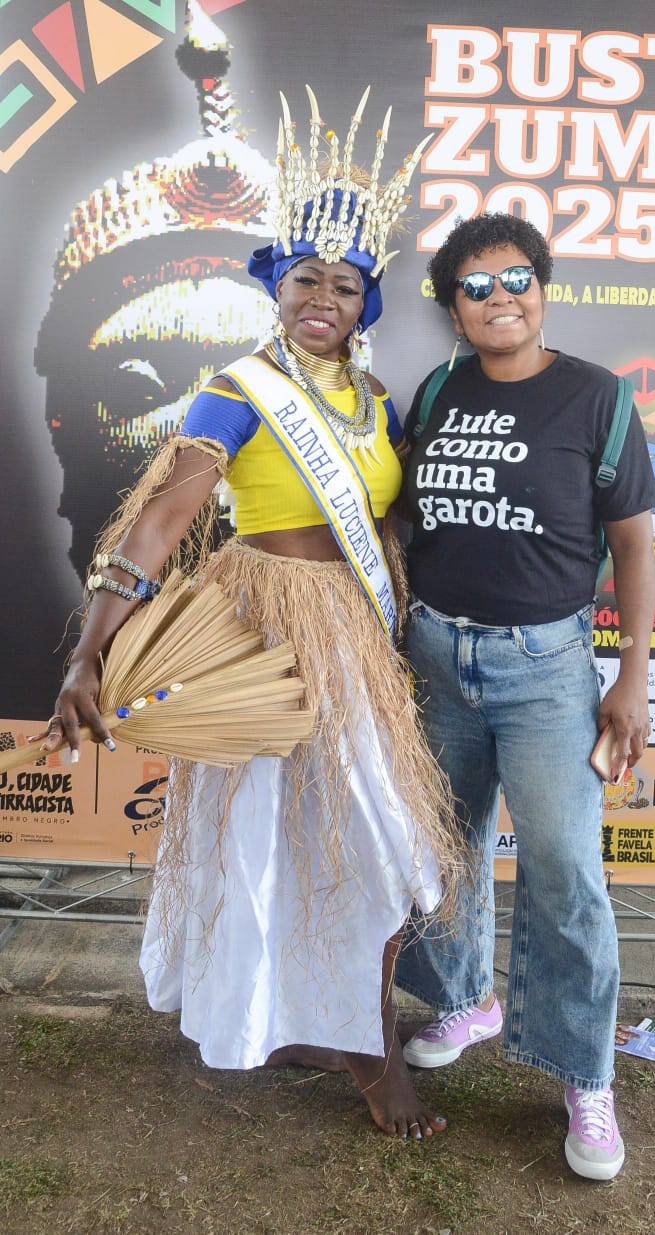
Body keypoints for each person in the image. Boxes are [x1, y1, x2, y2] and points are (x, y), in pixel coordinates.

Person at [37, 87, 462, 1140]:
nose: (323, 296)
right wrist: (89, 652)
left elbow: (391, 527)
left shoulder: (378, 404)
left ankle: (351, 1026)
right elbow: (160, 519)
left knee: (377, 845)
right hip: (260, 632)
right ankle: (330, 1034)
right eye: (305, 277)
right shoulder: (236, 389)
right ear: (277, 286)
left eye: (344, 284)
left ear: (365, 304)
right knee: (261, 838)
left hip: (351, 638)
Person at [394, 213, 655, 1179]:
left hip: (545, 667)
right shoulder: (437, 390)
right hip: (435, 652)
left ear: (542, 287)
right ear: (453, 309)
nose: (499, 297)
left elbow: (632, 542)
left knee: (565, 868)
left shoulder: (598, 397)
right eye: (476, 286)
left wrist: (632, 675)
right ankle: (466, 999)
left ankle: (584, 1072)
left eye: (516, 278)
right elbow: (404, 515)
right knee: (445, 841)